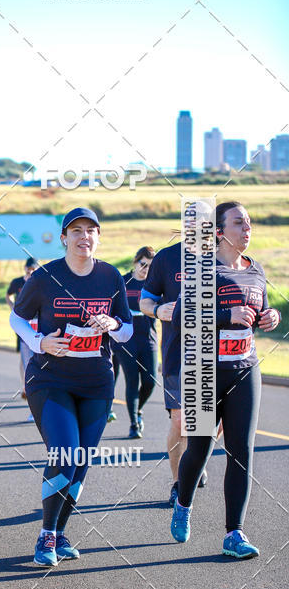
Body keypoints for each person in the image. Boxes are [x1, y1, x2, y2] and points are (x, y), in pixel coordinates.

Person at [10, 208, 133, 567]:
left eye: (91, 230)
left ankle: (61, 532)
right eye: (76, 230)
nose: (84, 236)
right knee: (64, 452)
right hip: (50, 379)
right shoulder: (47, 275)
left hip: (96, 382)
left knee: (80, 462)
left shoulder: (110, 276)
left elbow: (126, 329)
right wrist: (38, 342)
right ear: (64, 237)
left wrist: (111, 322)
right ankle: (46, 536)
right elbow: (18, 316)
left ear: (98, 236)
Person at [171, 201, 281, 558]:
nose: (247, 228)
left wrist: (271, 316)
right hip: (204, 370)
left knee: (241, 452)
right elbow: (181, 316)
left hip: (245, 368)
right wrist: (224, 314)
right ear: (218, 231)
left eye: (249, 222)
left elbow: (259, 309)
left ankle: (234, 533)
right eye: (238, 222)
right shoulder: (204, 268)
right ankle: (184, 502)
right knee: (199, 448)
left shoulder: (256, 269)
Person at [140, 218, 208, 505]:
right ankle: (179, 483)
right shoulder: (167, 258)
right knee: (181, 420)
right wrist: (157, 310)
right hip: (177, 353)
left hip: (217, 356)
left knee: (209, 422)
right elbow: (144, 301)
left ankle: (196, 459)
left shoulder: (222, 256)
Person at [112, 247, 157, 438]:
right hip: (125, 340)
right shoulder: (122, 281)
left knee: (150, 381)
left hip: (148, 338)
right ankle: (133, 425)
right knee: (132, 380)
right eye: (143, 264)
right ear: (135, 262)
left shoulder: (154, 284)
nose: (145, 268)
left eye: (149, 266)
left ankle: (138, 410)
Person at [7, 257, 39, 400]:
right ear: (25, 268)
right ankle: (25, 385)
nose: (30, 270)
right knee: (24, 354)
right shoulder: (18, 282)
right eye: (29, 268)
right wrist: (13, 307)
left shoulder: (40, 281)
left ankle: (34, 384)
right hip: (22, 322)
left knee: (36, 353)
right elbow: (8, 295)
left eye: (33, 268)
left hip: (38, 322)